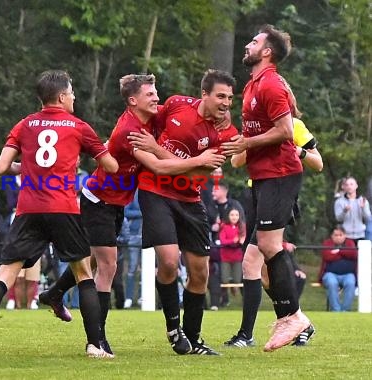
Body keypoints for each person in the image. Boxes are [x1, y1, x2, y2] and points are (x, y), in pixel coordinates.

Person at [38, 73, 226, 356]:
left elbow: (181, 116)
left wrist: (217, 119)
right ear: (132, 101)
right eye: (150, 95)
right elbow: (160, 167)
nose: (157, 98)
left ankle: (53, 294)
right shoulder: (130, 130)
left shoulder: (151, 118)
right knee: (108, 266)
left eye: (156, 93)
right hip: (98, 200)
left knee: (89, 259)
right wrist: (200, 161)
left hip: (116, 203)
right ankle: (97, 340)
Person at [0, 69, 119, 359]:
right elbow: (112, 167)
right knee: (84, 275)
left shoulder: (25, 124)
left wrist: (29, 168)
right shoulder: (79, 127)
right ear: (61, 96)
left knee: (5, 274)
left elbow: (3, 166)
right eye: (71, 93)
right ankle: (95, 345)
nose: (74, 97)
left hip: (29, 209)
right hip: (63, 208)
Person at [129, 69, 238, 355]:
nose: (226, 103)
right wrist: (142, 146)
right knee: (168, 261)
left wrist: (157, 150)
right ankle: (173, 327)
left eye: (230, 97)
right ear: (204, 94)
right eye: (220, 96)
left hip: (189, 198)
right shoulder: (177, 104)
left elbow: (194, 175)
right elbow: (148, 120)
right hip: (155, 190)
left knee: (200, 272)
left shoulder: (227, 133)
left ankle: (194, 338)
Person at [221, 24, 314, 352]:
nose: (248, 44)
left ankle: (292, 316)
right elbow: (255, 139)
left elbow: (286, 131)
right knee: (264, 247)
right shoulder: (252, 86)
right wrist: (240, 146)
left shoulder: (271, 84)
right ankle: (291, 316)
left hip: (281, 174)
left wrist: (247, 141)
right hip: (263, 177)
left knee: (270, 246)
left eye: (254, 41)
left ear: (267, 52)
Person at [319, 225, 357, 311]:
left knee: (351, 283)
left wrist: (338, 251)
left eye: (340, 235)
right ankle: (336, 310)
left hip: (348, 274)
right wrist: (344, 253)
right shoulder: (327, 243)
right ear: (332, 236)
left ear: (345, 235)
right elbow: (327, 256)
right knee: (332, 283)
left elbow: (353, 254)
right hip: (330, 274)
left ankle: (345, 311)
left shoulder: (350, 243)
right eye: (336, 235)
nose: (338, 237)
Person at [334, 176, 370, 243]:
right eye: (347, 185)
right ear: (344, 187)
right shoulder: (339, 202)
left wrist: (363, 208)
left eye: (351, 184)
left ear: (356, 186)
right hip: (346, 235)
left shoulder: (363, 200)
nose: (349, 186)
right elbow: (338, 218)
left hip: (361, 235)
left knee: (361, 253)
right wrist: (344, 211)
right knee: (348, 253)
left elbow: (368, 218)